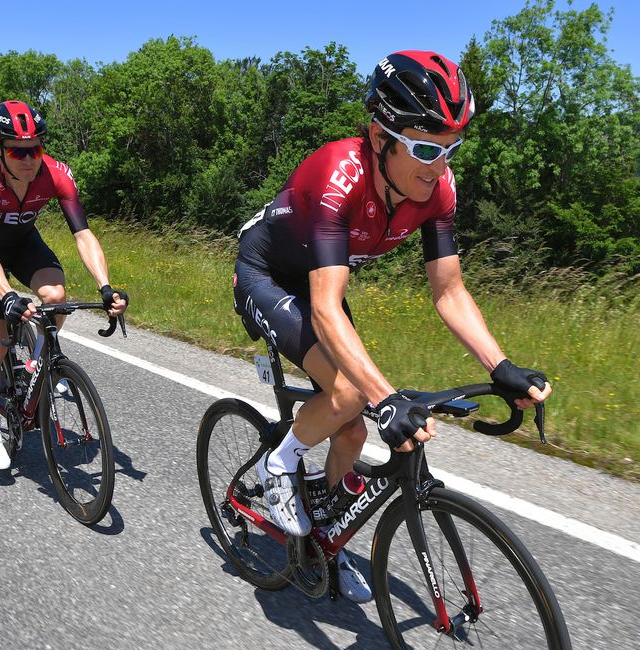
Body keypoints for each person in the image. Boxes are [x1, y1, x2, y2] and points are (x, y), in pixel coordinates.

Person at [232, 51, 551, 603]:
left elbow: (449, 292)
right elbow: (327, 309)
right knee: (356, 392)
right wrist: (385, 399)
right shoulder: (339, 175)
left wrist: (501, 367)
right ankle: (278, 466)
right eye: (426, 149)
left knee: (351, 428)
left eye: (451, 148)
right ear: (380, 138)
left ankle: (327, 542)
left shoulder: (438, 193)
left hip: (316, 284)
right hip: (267, 275)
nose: (439, 166)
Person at [0, 100, 127, 470]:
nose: (28, 158)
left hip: (22, 243)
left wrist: (106, 287)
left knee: (56, 296)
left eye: (36, 149)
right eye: (18, 151)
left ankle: (35, 363)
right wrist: (7, 295)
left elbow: (83, 234)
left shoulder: (57, 173)